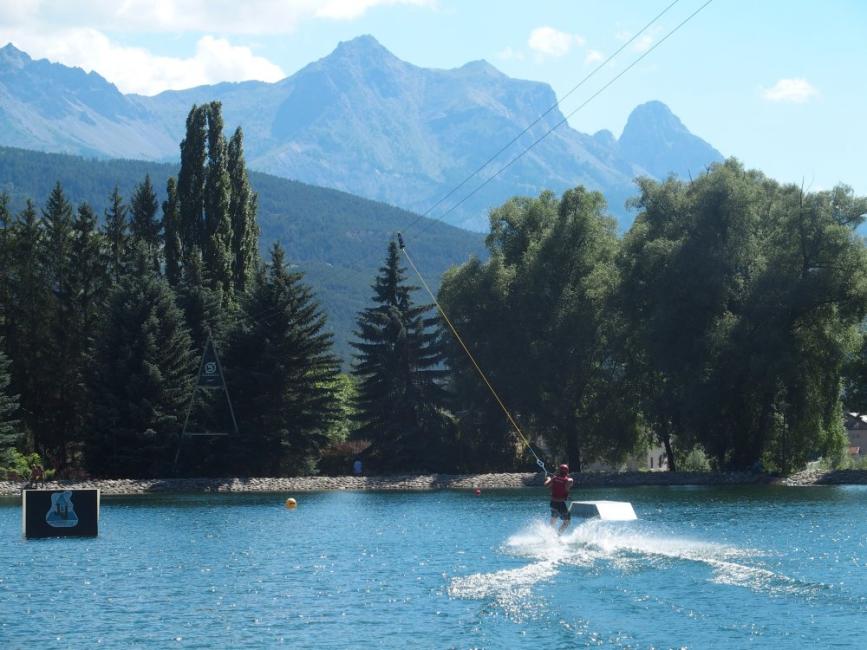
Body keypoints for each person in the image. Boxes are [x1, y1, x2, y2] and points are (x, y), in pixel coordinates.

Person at [544, 463, 574, 534]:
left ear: (559, 471)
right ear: (567, 472)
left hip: (553, 503)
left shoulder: (554, 479)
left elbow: (546, 485)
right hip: (561, 504)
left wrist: (549, 478)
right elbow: (570, 480)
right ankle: (558, 536)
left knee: (553, 520)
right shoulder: (569, 480)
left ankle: (550, 535)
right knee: (567, 522)